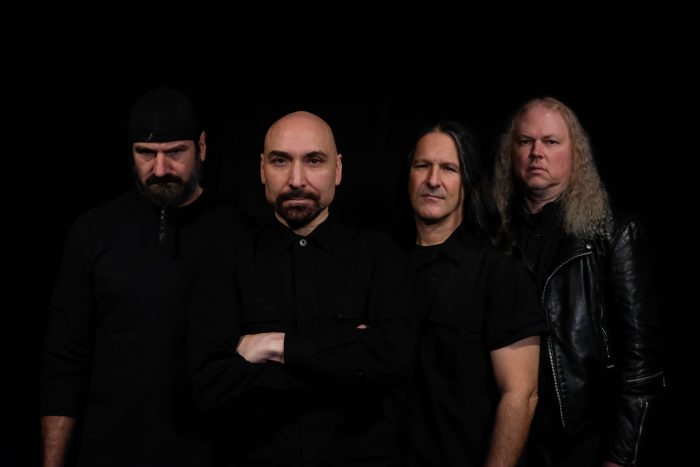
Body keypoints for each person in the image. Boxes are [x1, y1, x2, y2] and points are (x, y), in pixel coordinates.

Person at [39, 86, 253, 467]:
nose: (160, 170)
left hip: (211, 454)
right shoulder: (92, 232)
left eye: (175, 152)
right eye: (146, 153)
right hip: (110, 452)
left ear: (202, 147)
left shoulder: (239, 234)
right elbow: (64, 362)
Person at [187, 110, 415, 466]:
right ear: (262, 169)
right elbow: (210, 385)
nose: (296, 180)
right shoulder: (226, 262)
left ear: (338, 170)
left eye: (314, 161)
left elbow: (395, 360)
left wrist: (275, 346)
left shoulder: (380, 256)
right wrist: (344, 357)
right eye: (281, 161)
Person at [492, 97, 665, 467]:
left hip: (580, 442)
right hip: (505, 434)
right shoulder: (491, 237)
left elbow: (641, 368)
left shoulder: (614, 234)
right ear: (511, 153)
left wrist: (620, 458)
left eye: (551, 142)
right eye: (525, 141)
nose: (536, 152)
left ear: (576, 154)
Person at [400, 121, 547, 466]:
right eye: (422, 165)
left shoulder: (499, 272)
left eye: (448, 168)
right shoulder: (387, 267)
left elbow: (521, 395)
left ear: (467, 182)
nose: (433, 180)